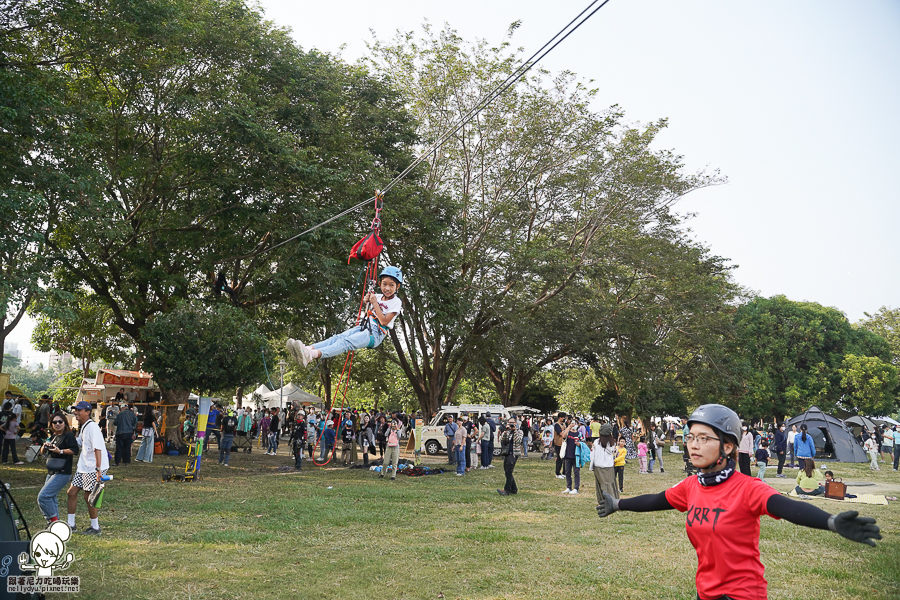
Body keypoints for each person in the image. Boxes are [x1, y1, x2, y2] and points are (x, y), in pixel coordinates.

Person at [595, 403, 881, 600]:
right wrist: (619, 504)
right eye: (691, 437)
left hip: (743, 593)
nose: (694, 444)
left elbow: (787, 507)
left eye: (704, 438)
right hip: (705, 591)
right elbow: (658, 500)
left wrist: (830, 521)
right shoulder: (691, 486)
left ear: (728, 446)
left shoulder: (747, 488)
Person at [287, 267, 404, 367]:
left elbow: (384, 322)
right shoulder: (377, 297)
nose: (387, 288)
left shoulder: (396, 302)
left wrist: (374, 303)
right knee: (337, 338)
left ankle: (311, 355)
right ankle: (307, 349)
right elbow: (367, 313)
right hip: (365, 327)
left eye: (391, 285)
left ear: (397, 287)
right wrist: (367, 303)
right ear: (380, 284)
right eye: (384, 284)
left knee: (345, 342)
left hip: (376, 333)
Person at [67, 401, 109, 535]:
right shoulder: (84, 426)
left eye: (79, 410)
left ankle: (95, 527)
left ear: (87, 412)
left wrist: (98, 470)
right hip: (83, 466)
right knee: (71, 493)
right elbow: (78, 443)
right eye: (75, 410)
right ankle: (71, 525)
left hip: (93, 468)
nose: (76, 412)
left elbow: (97, 449)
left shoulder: (93, 427)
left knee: (89, 497)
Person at [37, 412, 79, 524]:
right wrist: (45, 446)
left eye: (60, 421)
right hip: (51, 471)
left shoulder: (68, 436)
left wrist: (59, 451)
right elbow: (42, 453)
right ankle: (55, 524)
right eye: (54, 422)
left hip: (63, 472)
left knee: (43, 496)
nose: (57, 424)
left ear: (65, 423)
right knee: (51, 498)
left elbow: (75, 450)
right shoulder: (53, 436)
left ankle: (53, 521)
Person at [591, 423, 618, 503]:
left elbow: (592, 455)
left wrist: (592, 466)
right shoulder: (612, 443)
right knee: (609, 484)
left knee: (600, 484)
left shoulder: (596, 442)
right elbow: (614, 452)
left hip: (598, 466)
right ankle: (612, 501)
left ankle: (602, 501)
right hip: (609, 466)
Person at [497, 417, 523, 495]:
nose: (511, 424)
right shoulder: (507, 431)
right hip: (507, 453)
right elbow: (502, 439)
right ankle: (514, 489)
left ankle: (507, 490)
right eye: (509, 423)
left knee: (508, 472)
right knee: (507, 472)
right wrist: (506, 430)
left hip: (514, 454)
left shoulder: (519, 431)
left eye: (512, 423)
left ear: (516, 423)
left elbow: (518, 440)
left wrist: (514, 431)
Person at [562, 425, 580, 494]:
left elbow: (583, 443)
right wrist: (568, 427)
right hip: (567, 455)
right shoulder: (568, 433)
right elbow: (563, 436)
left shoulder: (579, 434)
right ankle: (568, 487)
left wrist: (579, 444)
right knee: (567, 472)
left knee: (576, 472)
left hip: (576, 456)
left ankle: (576, 488)